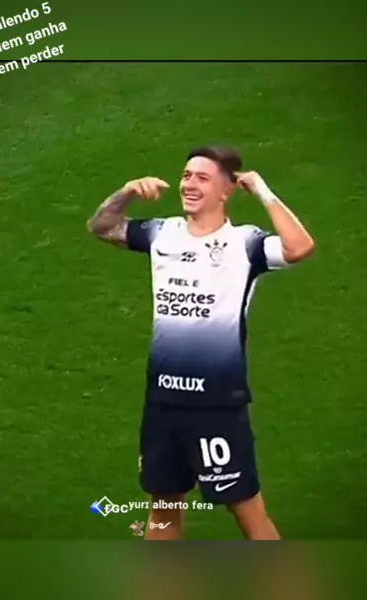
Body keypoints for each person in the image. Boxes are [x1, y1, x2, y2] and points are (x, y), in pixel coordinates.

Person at [86, 145, 315, 540]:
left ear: (227, 191)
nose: (189, 184)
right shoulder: (163, 233)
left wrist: (262, 191)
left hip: (216, 407)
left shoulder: (245, 244)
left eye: (202, 178)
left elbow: (299, 247)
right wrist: (127, 192)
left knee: (247, 511)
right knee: (164, 508)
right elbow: (102, 227)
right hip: (163, 403)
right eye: (186, 175)